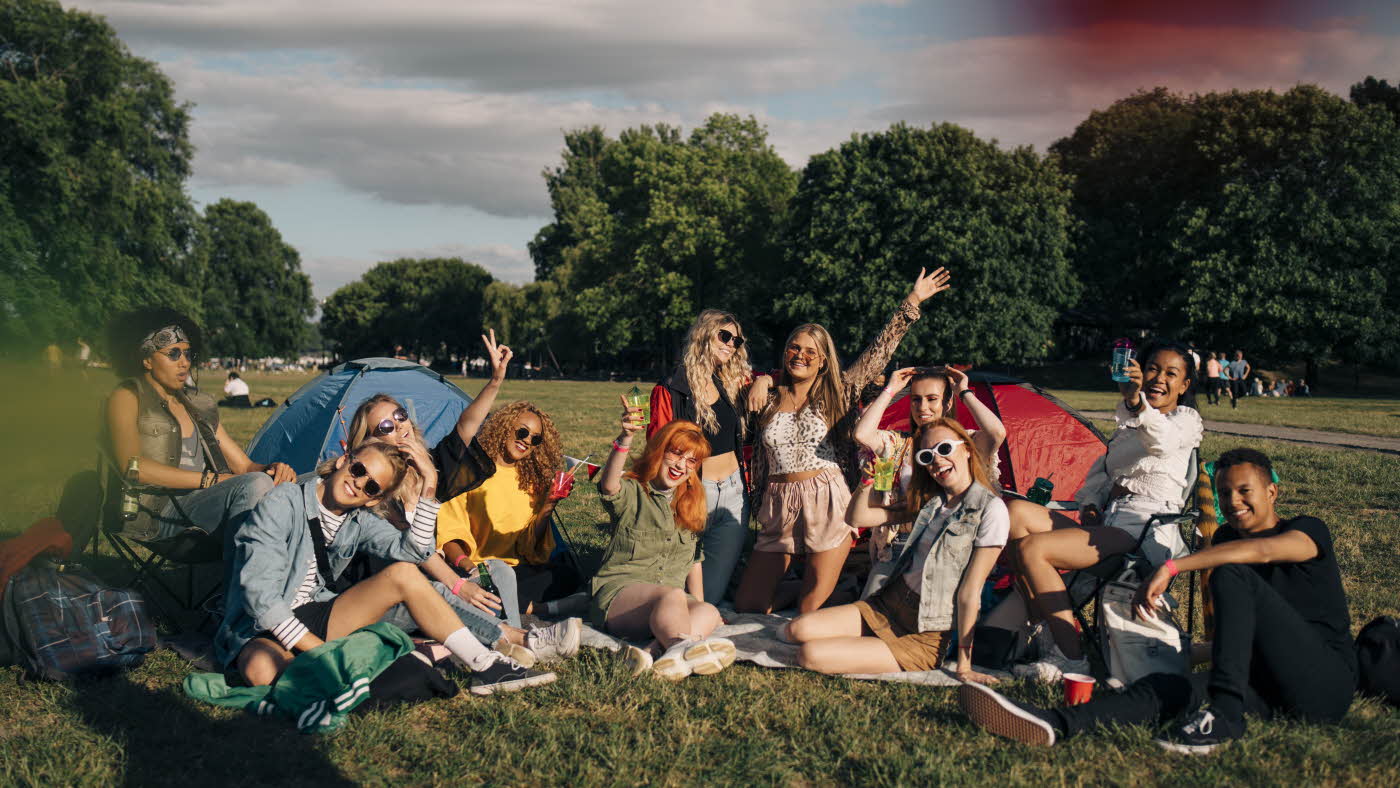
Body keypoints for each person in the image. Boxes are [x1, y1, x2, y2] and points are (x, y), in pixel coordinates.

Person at [959, 448, 1356, 755]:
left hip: (1324, 682)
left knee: (1232, 571)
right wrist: (1182, 652)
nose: (1233, 501)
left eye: (1244, 491)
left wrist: (1172, 566)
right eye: (1224, 493)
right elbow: (1241, 637)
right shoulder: (1227, 541)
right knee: (1163, 687)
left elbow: (1264, 552)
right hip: (1265, 681)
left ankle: (1225, 717)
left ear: (1272, 492)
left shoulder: (1307, 531)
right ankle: (1054, 723)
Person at [214, 440, 555, 695]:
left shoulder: (358, 518)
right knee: (260, 669)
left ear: (375, 498)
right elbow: (262, 600)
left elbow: (415, 551)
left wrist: (429, 485)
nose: (359, 483)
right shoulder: (283, 502)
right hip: (258, 626)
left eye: (372, 486)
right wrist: (321, 652)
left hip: (315, 613)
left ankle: (485, 665)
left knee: (404, 574)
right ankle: (349, 672)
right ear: (344, 461)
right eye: (358, 470)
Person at [735, 267, 953, 615]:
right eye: (794, 348)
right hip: (779, 505)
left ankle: (839, 592)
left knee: (809, 611)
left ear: (823, 361)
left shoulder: (839, 393)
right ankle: (828, 589)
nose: (800, 355)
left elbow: (877, 353)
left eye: (811, 352)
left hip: (827, 500)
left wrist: (912, 302)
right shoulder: (768, 397)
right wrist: (763, 379)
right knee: (748, 605)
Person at [1007, 340, 1202, 681]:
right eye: (1153, 368)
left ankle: (1071, 658)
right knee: (1014, 514)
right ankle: (1046, 632)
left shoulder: (1185, 421)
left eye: (1171, 373)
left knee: (1033, 549)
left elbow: (1161, 442)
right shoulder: (1128, 426)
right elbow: (1100, 476)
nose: (1159, 378)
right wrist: (1092, 505)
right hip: (1109, 525)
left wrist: (1136, 403)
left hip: (1144, 531)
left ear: (1184, 385)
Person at [343, 394, 581, 666]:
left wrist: (548, 504)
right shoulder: (374, 492)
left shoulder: (426, 468)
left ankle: (515, 638)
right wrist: (462, 576)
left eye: (400, 416)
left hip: (473, 570)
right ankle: (521, 637)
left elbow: (532, 549)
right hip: (410, 585)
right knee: (453, 588)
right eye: (386, 426)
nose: (398, 426)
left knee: (515, 573)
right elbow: (423, 547)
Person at [784, 419, 1006, 680]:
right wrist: (867, 481)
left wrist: (964, 665)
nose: (937, 460)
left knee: (809, 655)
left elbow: (970, 592)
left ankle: (872, 647)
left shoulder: (990, 510)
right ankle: (866, 641)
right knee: (794, 631)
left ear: (967, 449)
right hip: (887, 605)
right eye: (927, 456)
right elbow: (857, 518)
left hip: (924, 634)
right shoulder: (931, 502)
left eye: (945, 448)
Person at [104, 309, 296, 541]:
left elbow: (244, 467)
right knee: (256, 485)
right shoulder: (127, 396)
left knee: (299, 486)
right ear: (146, 359)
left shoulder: (198, 404)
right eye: (173, 354)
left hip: (202, 503)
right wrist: (209, 480)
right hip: (157, 512)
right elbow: (133, 467)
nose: (184, 362)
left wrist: (272, 470)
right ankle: (246, 562)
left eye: (187, 354)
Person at [433, 336, 579, 615]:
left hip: (516, 570)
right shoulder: (472, 471)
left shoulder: (532, 482)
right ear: (504, 427)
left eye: (535, 439)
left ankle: (516, 604)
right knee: (486, 587)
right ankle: (537, 609)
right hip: (476, 568)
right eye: (522, 431)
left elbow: (531, 550)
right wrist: (472, 569)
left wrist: (548, 505)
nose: (526, 440)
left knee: (565, 573)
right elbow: (451, 533)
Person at [594, 410, 736, 680]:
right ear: (659, 451)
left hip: (669, 604)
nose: (681, 465)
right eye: (677, 454)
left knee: (708, 611)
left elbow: (694, 561)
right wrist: (625, 438)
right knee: (671, 595)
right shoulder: (634, 490)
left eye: (691, 461)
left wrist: (699, 604)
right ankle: (682, 648)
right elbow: (609, 486)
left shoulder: (691, 503)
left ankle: (653, 652)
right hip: (622, 598)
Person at [648, 309, 762, 605]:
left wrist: (764, 382)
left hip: (735, 494)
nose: (731, 344)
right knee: (670, 586)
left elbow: (786, 377)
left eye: (736, 340)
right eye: (724, 336)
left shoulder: (731, 382)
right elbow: (657, 448)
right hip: (694, 492)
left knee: (708, 598)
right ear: (704, 335)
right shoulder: (672, 388)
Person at [852, 365, 1006, 562]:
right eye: (916, 399)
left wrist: (963, 392)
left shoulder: (963, 443)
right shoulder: (896, 446)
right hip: (901, 545)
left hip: (954, 543)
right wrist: (891, 389)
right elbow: (862, 434)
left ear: (947, 403)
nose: (923, 407)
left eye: (932, 399)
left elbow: (996, 433)